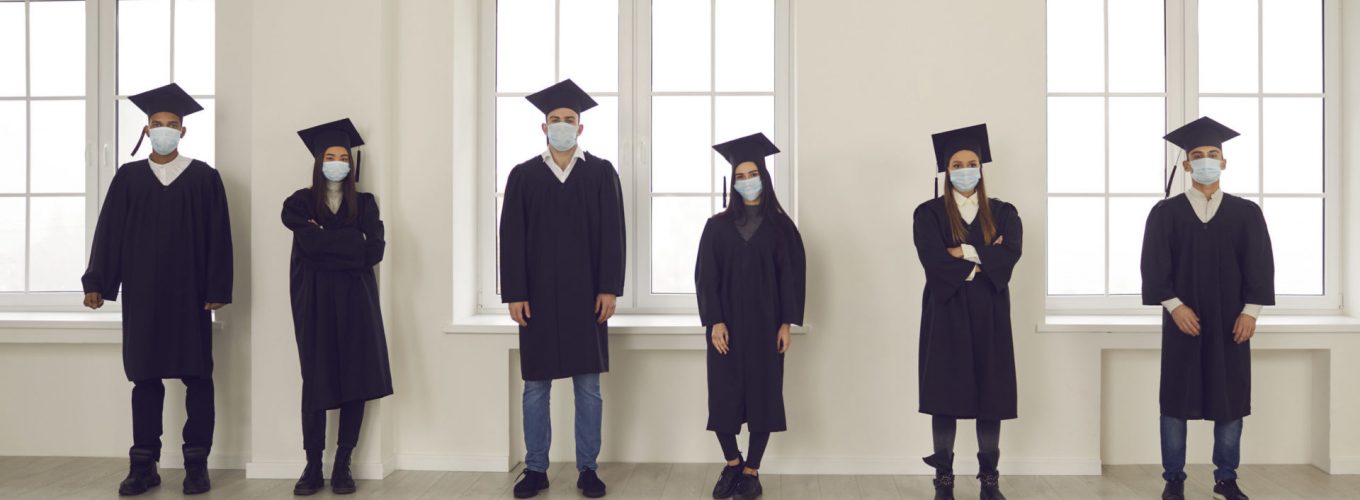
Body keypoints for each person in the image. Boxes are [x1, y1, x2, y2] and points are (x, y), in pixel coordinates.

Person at [81, 82, 233, 496]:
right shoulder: (129, 178)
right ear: (146, 130)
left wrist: (218, 286)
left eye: (172, 124)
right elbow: (109, 233)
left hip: (191, 294)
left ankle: (196, 464)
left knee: (198, 378)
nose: (164, 129)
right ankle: (143, 464)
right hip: (144, 295)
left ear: (183, 131)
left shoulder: (204, 178)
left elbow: (219, 236)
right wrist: (97, 281)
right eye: (157, 123)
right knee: (145, 379)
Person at [500, 79, 625, 499]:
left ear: (581, 127)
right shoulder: (523, 176)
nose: (562, 126)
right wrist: (515, 292)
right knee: (535, 386)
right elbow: (511, 238)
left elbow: (613, 235)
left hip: (586, 296)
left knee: (587, 385)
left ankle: (588, 469)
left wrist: (609, 288)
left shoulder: (601, 173)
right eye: (555, 120)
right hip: (534, 298)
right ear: (543, 127)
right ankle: (536, 469)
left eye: (569, 120)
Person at [1142, 116, 1274, 500]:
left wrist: (1251, 311)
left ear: (1224, 162)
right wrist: (1174, 306)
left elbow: (1260, 265)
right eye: (1197, 155)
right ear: (1185, 166)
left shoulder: (1246, 213)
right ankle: (1174, 480)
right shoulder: (1165, 213)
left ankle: (1226, 479)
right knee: (1175, 402)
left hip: (1232, 320)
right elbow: (1153, 266)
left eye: (1212, 154)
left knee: (1229, 400)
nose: (1205, 161)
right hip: (1184, 321)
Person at [282, 118, 393, 496]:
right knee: (315, 378)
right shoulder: (299, 202)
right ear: (318, 161)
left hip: (356, 302)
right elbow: (311, 249)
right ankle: (313, 464)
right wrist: (350, 242)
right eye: (329, 156)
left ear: (351, 162)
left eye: (343, 156)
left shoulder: (365, 203)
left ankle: (343, 462)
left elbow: (374, 251)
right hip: (312, 300)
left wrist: (327, 238)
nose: (336, 162)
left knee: (355, 378)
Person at [912, 124, 1022, 500]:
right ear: (946, 170)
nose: (964, 169)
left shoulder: (1004, 212)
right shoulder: (927, 213)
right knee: (945, 392)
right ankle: (944, 479)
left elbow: (1010, 257)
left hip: (990, 311)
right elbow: (931, 260)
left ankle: (988, 480)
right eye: (956, 164)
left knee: (991, 394)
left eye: (971, 163)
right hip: (946, 311)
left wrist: (961, 252)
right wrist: (985, 254)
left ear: (981, 168)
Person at [697, 133, 806, 500]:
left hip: (766, 327)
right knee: (723, 399)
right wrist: (715, 321)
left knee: (764, 397)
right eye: (740, 175)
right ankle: (732, 463)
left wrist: (786, 323)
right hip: (725, 328)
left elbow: (792, 277)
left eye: (752, 172)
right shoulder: (716, 227)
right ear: (733, 181)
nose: (747, 180)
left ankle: (751, 471)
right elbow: (705, 277)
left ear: (764, 175)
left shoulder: (781, 227)